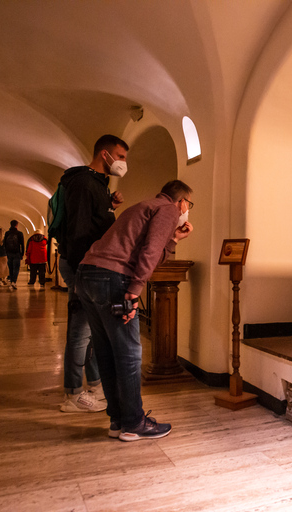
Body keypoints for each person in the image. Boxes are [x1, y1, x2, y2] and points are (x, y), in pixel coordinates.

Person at [76, 179, 193, 441]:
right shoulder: (168, 209)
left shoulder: (142, 206)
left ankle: (118, 420)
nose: (186, 210)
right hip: (113, 279)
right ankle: (133, 424)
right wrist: (136, 288)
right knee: (129, 353)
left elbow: (145, 246)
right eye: (188, 205)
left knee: (106, 351)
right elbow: (150, 252)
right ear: (183, 201)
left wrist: (173, 239)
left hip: (87, 275)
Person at [58, 134, 128, 413]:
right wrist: (82, 272)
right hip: (83, 264)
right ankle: (73, 394)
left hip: (89, 263)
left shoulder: (97, 184)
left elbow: (92, 220)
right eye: (121, 156)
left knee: (93, 331)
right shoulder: (85, 183)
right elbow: (79, 230)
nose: (123, 163)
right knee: (79, 332)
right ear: (105, 154)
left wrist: (109, 205)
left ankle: (94, 386)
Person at [4, 220, 25, 289]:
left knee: (10, 268)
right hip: (17, 253)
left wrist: (6, 252)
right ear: (17, 225)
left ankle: (11, 280)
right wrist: (22, 253)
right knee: (16, 268)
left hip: (9, 253)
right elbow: (22, 244)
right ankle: (14, 282)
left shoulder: (7, 233)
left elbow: (4, 243)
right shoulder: (19, 233)